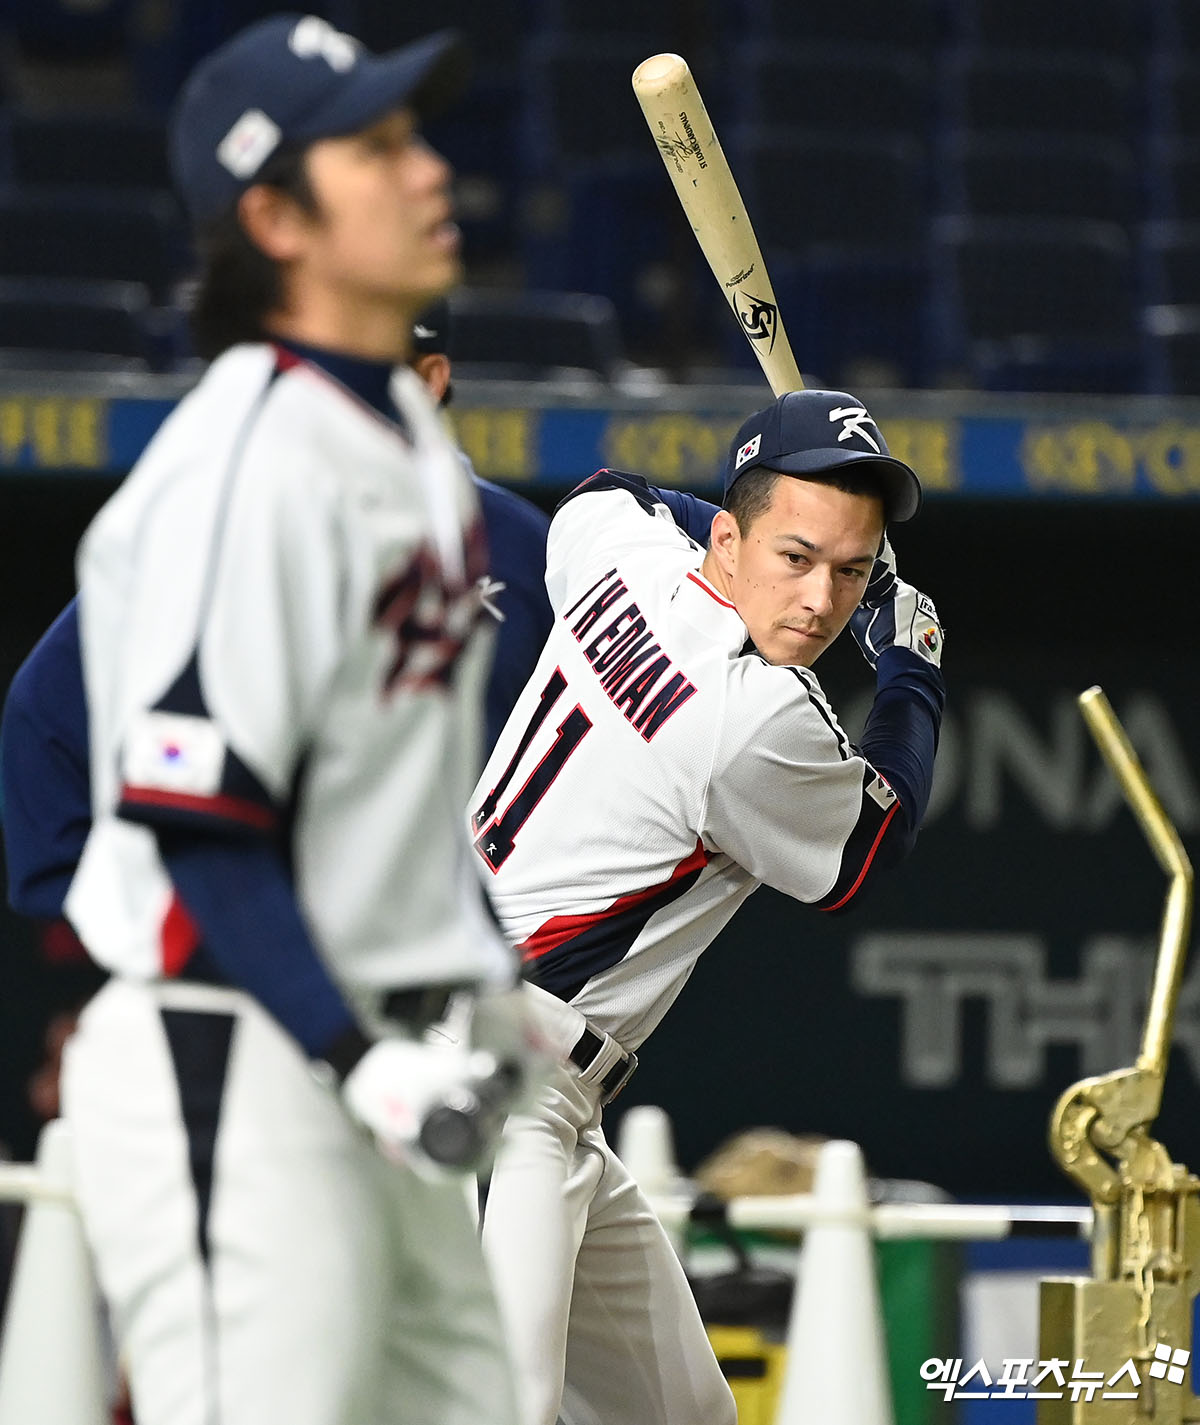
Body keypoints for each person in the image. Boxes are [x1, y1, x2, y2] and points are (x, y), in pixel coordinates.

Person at [42, 16, 534, 1425]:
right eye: (375, 148)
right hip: (238, 1055)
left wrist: (484, 981)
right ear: (275, 217)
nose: (428, 170)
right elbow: (198, 823)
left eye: (415, 135)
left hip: (377, 1062)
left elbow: (389, 796)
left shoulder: (410, 457)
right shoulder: (241, 458)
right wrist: (353, 1053)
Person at [468, 388, 946, 1425]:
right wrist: (912, 664)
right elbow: (874, 845)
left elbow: (613, 492)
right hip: (491, 1081)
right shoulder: (755, 716)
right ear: (729, 539)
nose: (821, 602)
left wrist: (746, 523)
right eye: (794, 558)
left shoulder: (623, 556)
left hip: (545, 1088)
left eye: (850, 570)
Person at [1, 309, 551, 925]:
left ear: (429, 381)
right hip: (253, 947)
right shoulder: (218, 528)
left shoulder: (525, 553)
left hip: (458, 948)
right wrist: (89, 932)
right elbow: (44, 714)